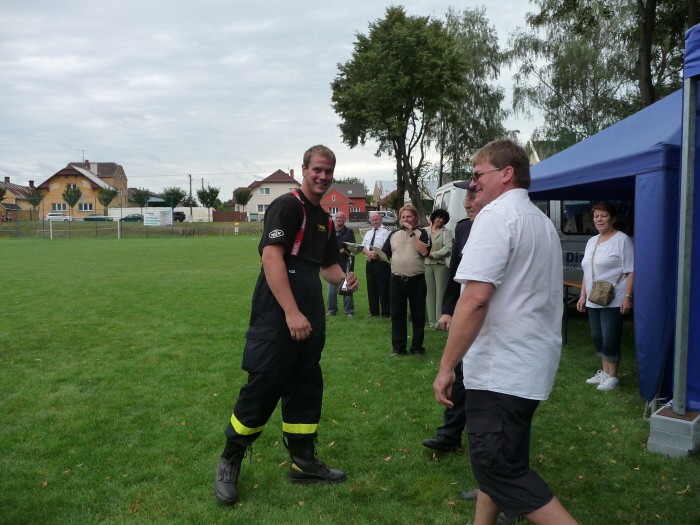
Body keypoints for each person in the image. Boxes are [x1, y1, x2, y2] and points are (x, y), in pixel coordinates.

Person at [433, 139, 577, 525]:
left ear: (506, 173)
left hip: (502, 369)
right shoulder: (541, 222)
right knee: (500, 460)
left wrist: (447, 367)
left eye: (478, 175)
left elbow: (476, 298)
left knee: (498, 468)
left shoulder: (495, 218)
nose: (473, 184)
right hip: (527, 362)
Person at [214, 145, 358, 506]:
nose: (323, 177)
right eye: (317, 170)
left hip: (309, 307)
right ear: (304, 170)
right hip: (278, 310)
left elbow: (326, 267)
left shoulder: (323, 218)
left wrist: (343, 282)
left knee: (306, 384)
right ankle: (230, 460)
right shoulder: (287, 206)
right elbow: (271, 258)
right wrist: (291, 312)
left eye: (329, 171)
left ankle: (303, 462)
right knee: (264, 383)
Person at [423, 181, 479, 454]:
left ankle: (481, 441)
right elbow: (456, 273)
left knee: (479, 381)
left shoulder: (499, 227)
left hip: (488, 317)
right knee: (458, 373)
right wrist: (447, 309)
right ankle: (449, 434)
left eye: (473, 195)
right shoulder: (463, 228)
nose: (467, 203)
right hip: (464, 313)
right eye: (465, 197)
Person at [576, 201, 634, 392]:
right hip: (594, 297)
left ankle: (612, 376)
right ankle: (604, 372)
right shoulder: (592, 241)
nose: (599, 220)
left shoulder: (622, 240)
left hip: (614, 297)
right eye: (596, 216)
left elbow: (631, 270)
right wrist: (582, 295)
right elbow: (587, 271)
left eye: (603, 216)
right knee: (597, 335)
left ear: (613, 218)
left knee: (610, 336)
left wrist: (627, 296)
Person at [382, 204, 431, 356]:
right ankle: (398, 348)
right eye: (403, 217)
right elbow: (385, 253)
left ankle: (417, 348)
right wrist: (375, 255)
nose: (405, 219)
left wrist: (411, 233)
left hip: (416, 281)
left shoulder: (422, 233)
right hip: (396, 281)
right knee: (397, 316)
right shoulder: (394, 234)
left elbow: (424, 251)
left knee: (418, 316)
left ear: (415, 217)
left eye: (408, 216)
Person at [424, 209, 453, 329]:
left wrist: (432, 254)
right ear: (433, 217)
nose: (440, 220)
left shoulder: (447, 232)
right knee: (429, 294)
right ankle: (431, 322)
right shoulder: (425, 231)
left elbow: (448, 249)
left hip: (440, 265)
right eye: (438, 217)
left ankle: (439, 322)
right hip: (426, 265)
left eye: (443, 219)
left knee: (440, 293)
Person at [361, 211, 391, 317]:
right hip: (370, 262)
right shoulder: (369, 232)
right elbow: (363, 246)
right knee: (371, 287)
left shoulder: (386, 231)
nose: (374, 221)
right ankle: (373, 312)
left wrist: (376, 253)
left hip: (382, 263)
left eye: (376, 219)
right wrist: (368, 253)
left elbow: (387, 246)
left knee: (383, 287)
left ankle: (386, 312)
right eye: (372, 220)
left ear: (380, 219)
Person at [327, 211, 356, 318]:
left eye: (341, 217)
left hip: (346, 264)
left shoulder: (349, 232)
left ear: (345, 219)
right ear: (335, 219)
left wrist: (338, 252)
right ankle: (332, 310)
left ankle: (349, 311)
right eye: (337, 217)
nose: (339, 219)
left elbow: (351, 246)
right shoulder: (330, 231)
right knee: (331, 290)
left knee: (347, 288)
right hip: (332, 264)